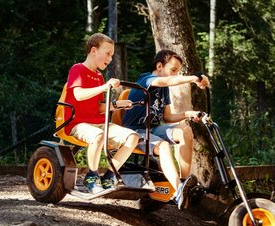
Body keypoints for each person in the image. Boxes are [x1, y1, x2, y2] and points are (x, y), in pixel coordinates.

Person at [122, 49, 210, 209]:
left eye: (178, 72)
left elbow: (167, 117)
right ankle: (178, 190)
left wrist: (187, 114)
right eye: (174, 70)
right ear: (160, 65)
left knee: (185, 131)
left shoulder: (164, 90)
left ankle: (184, 184)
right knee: (163, 146)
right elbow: (165, 81)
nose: (176, 75)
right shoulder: (146, 79)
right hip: (135, 132)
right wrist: (194, 78)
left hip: (154, 129)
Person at [64, 33, 139, 194]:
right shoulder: (77, 69)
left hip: (98, 122)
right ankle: (91, 176)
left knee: (133, 137)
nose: (110, 58)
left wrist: (117, 104)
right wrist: (105, 87)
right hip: (78, 123)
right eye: (108, 53)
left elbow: (98, 107)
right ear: (93, 50)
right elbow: (78, 95)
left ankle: (109, 175)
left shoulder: (98, 76)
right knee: (98, 136)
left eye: (112, 55)